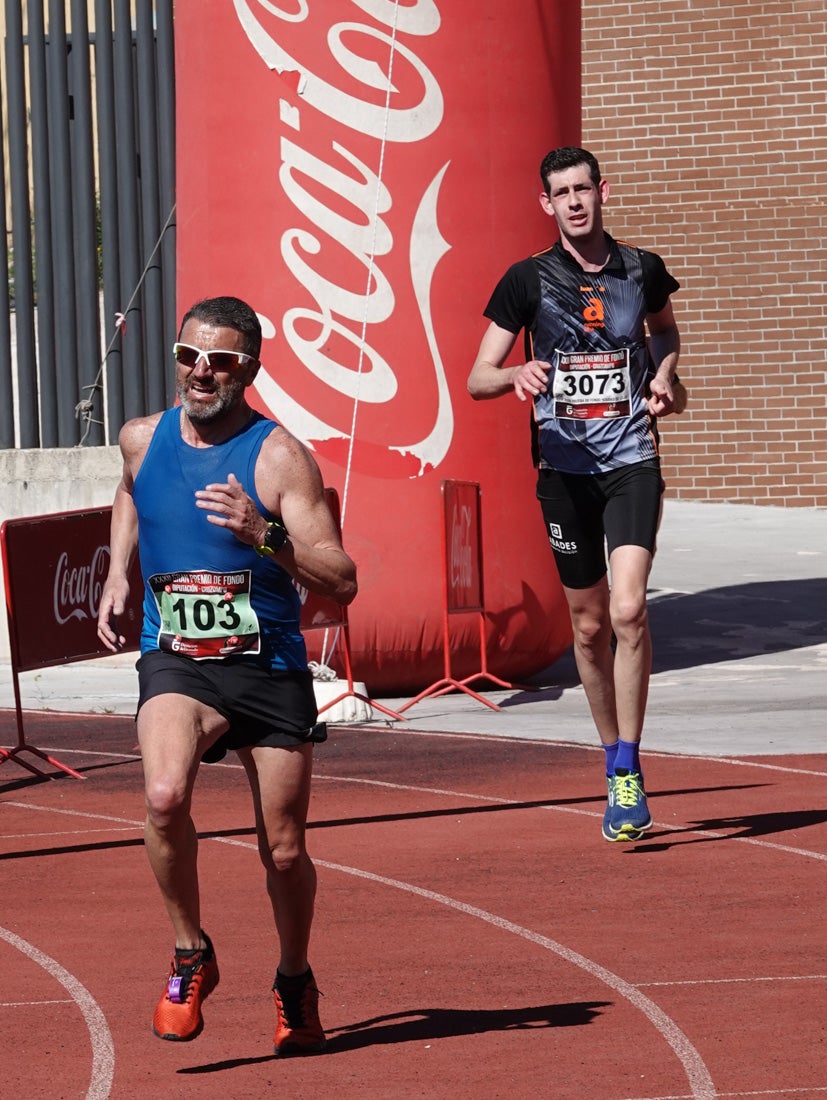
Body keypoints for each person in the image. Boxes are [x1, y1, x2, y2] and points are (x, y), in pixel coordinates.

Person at [97, 295, 357, 1052]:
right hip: (177, 658)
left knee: (281, 850)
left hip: (269, 666)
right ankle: (189, 952)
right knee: (163, 793)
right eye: (188, 357)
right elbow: (128, 490)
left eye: (220, 361)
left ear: (249, 369)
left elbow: (340, 579)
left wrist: (263, 531)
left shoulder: (279, 457)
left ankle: (294, 977)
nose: (200, 372)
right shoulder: (140, 439)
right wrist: (119, 570)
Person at [468, 147, 681, 843]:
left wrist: (664, 379)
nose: (574, 202)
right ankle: (606, 749)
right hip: (562, 474)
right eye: (560, 193)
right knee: (587, 628)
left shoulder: (639, 269)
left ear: (602, 192)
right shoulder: (526, 280)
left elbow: (663, 330)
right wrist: (516, 375)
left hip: (630, 462)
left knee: (626, 611)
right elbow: (477, 376)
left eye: (582, 189)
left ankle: (628, 769)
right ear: (546, 205)